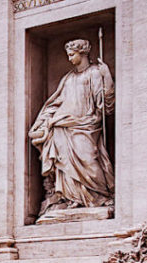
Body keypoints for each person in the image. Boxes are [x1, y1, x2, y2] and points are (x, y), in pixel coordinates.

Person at [29, 38, 115, 219]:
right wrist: (43, 122)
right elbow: (55, 103)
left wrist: (106, 75)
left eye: (72, 55)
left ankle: (99, 196)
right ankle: (71, 198)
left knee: (89, 158)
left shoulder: (94, 73)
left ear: (82, 53)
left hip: (87, 124)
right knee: (64, 163)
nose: (69, 59)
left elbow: (105, 103)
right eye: (68, 55)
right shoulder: (68, 78)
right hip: (63, 126)